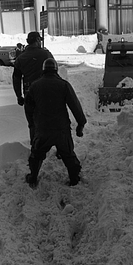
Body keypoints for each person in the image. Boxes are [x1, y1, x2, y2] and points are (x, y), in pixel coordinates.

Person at [24, 58, 87, 188]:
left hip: (42, 129)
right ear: (56, 70)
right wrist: (81, 123)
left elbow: (28, 107)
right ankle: (74, 179)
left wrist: (32, 124)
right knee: (68, 155)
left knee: (36, 155)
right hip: (61, 129)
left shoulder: (35, 86)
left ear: (43, 70)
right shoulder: (63, 85)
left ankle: (33, 177)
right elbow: (75, 105)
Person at [12, 31, 54, 144]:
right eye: (39, 40)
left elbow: (16, 78)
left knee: (32, 123)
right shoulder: (45, 55)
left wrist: (19, 96)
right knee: (49, 120)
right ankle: (52, 144)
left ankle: (35, 147)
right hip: (46, 94)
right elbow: (54, 70)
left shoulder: (21, 58)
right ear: (37, 40)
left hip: (29, 94)